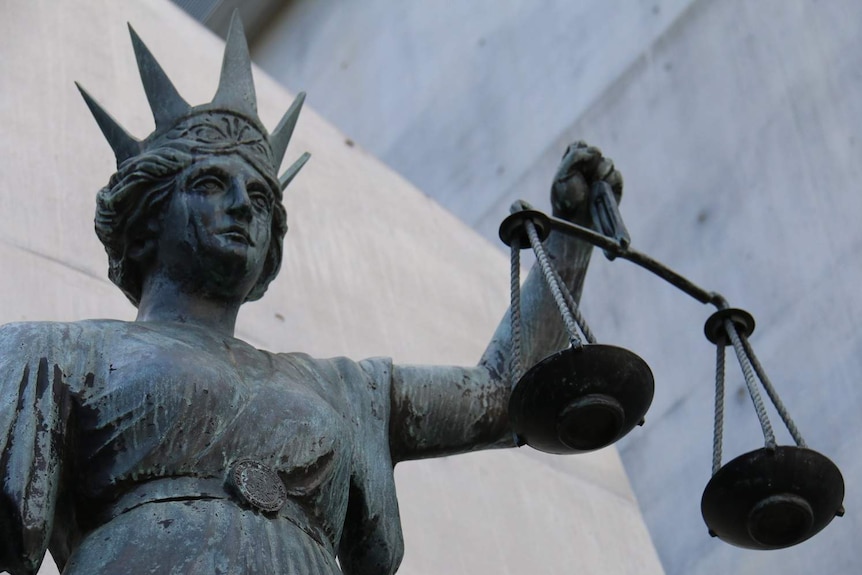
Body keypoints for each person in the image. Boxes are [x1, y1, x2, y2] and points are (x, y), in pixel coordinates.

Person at [0, 15, 623, 575]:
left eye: (263, 197)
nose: (244, 205)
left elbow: (502, 394)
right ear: (144, 226)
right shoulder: (51, 355)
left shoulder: (349, 391)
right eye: (212, 184)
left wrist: (571, 242)